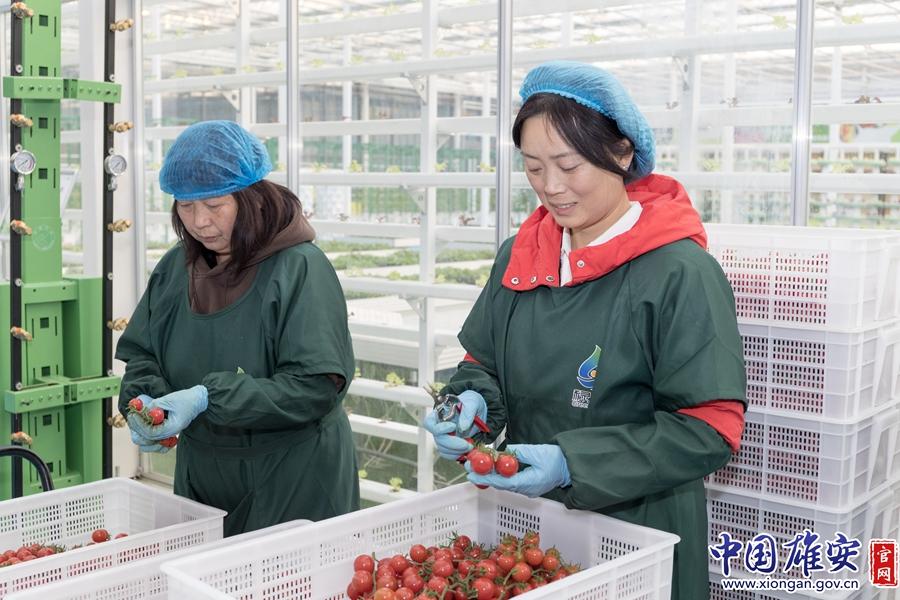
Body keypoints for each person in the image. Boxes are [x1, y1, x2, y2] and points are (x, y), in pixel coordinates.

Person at [423, 61, 746, 599]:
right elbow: (484, 365)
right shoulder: (522, 255)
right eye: (533, 168)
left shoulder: (678, 272)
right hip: (531, 535)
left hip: (639, 532)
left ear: (622, 154)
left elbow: (710, 427)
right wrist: (467, 405)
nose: (551, 187)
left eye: (569, 165)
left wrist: (574, 462)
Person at [117, 120, 359, 536]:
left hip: (292, 476)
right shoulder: (176, 268)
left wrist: (209, 398)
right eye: (185, 206)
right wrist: (144, 403)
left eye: (215, 205)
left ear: (251, 197)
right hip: (202, 473)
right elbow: (143, 354)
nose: (199, 222)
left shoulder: (300, 268)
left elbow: (316, 387)